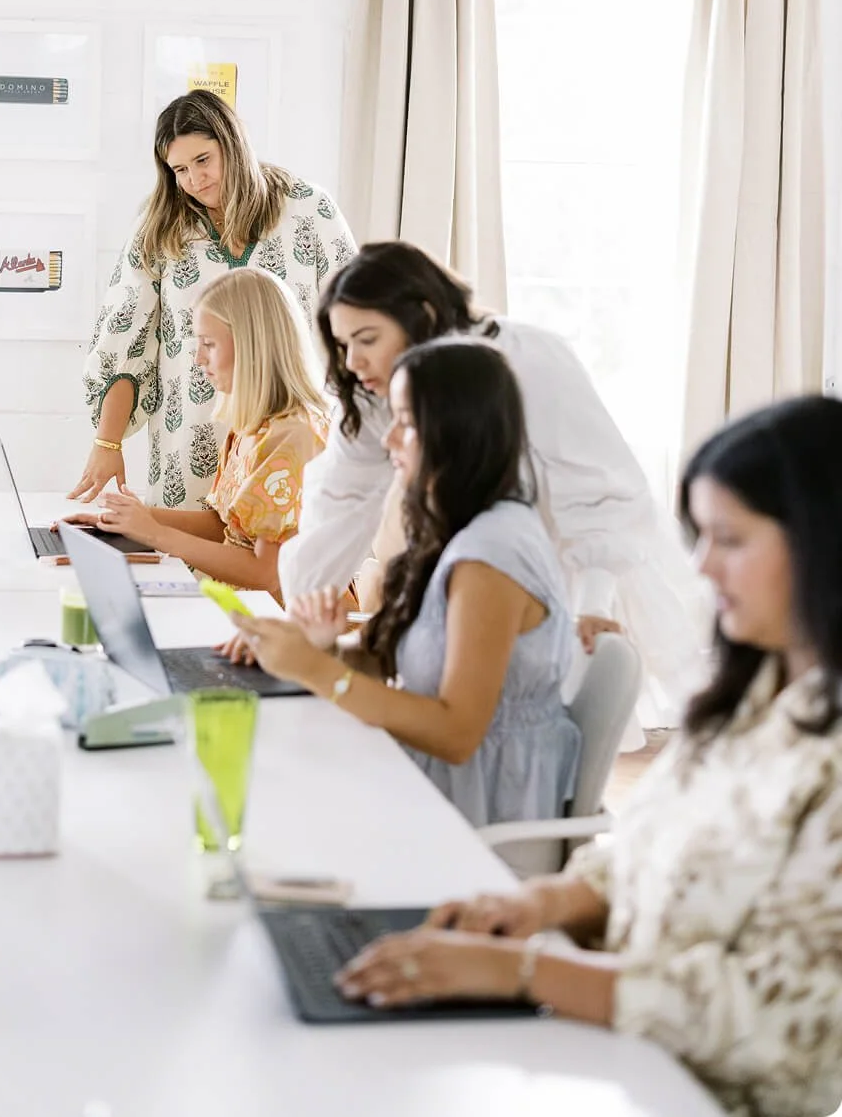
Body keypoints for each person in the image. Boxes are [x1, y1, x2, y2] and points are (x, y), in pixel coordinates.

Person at [330, 395, 842, 1117]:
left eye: (729, 540)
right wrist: (537, 904)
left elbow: (780, 1020)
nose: (702, 566)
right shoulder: (751, 692)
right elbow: (640, 843)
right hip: (617, 1050)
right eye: (699, 537)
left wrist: (525, 972)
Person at [278, 240, 707, 731]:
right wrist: (301, 618)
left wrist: (591, 601)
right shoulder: (376, 386)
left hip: (555, 554)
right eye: (341, 344)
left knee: (528, 717)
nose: (352, 361)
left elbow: (599, 488)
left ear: (421, 314)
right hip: (479, 553)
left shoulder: (525, 360)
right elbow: (341, 498)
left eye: (367, 339)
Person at [234, 339, 581, 831]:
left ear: (458, 434)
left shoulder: (492, 557)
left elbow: (457, 733)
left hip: (481, 806)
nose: (389, 439)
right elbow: (407, 665)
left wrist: (314, 669)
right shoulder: (458, 524)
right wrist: (319, 650)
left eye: (407, 422)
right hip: (444, 779)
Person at [73, 90, 355, 511]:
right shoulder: (161, 227)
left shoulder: (309, 211)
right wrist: (106, 442)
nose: (194, 180)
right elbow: (124, 338)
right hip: (189, 446)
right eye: (180, 169)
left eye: (203, 160)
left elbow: (356, 318)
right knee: (183, 567)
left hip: (288, 439)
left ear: (232, 143)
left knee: (274, 566)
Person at [73, 270, 328, 601]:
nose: (198, 359)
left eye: (209, 344)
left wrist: (156, 534)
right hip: (246, 612)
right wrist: (126, 520)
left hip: (292, 626)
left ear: (253, 346)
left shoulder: (294, 437)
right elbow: (224, 525)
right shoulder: (252, 426)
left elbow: (264, 573)